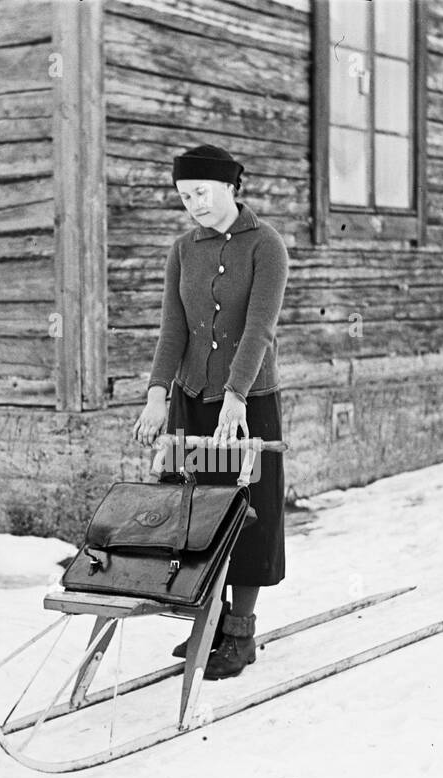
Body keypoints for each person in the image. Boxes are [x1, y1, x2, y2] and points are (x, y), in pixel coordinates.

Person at [132, 144, 290, 680]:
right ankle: (209, 623)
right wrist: (158, 395)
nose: (193, 204)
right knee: (195, 514)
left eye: (201, 192)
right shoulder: (182, 249)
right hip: (192, 400)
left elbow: (258, 330)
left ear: (229, 186)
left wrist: (237, 397)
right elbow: (173, 328)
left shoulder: (265, 245)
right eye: (184, 196)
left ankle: (240, 632)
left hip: (248, 404)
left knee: (250, 514)